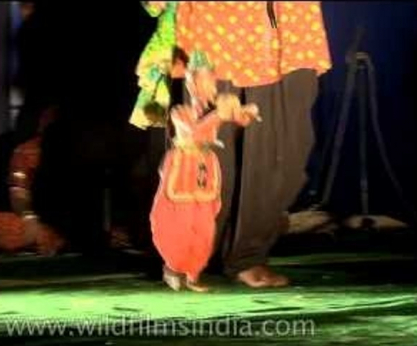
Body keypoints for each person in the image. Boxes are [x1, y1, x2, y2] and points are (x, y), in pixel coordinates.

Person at [131, 2, 332, 288]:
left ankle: (246, 253)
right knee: (205, 146)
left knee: (283, 150)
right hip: (214, 23)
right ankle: (191, 254)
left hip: (288, 22)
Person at [151, 51, 260, 292]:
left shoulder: (215, 107)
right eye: (203, 80)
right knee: (179, 220)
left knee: (204, 223)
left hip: (204, 166)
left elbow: (240, 118)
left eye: (212, 80)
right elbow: (193, 133)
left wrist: (247, 112)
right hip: (183, 166)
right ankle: (173, 266)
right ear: (191, 82)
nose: (210, 86)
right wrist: (218, 116)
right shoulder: (180, 111)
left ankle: (193, 273)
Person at [0, 105, 66, 256]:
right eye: (45, 118)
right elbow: (19, 193)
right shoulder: (26, 150)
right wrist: (30, 218)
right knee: (0, 222)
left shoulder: (83, 148)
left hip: (72, 220)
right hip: (37, 220)